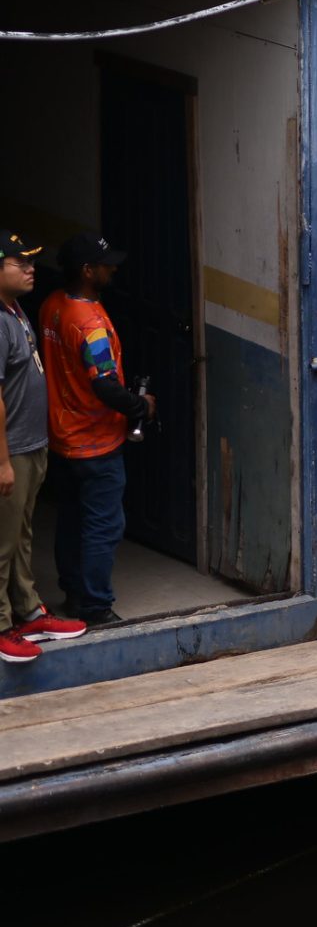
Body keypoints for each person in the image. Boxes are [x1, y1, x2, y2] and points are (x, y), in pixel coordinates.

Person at [39, 233, 153, 628]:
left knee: (70, 519)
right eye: (106, 264)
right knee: (103, 526)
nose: (113, 269)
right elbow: (103, 383)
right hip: (96, 443)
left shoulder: (52, 305)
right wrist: (141, 406)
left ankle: (73, 593)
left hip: (61, 437)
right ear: (88, 271)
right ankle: (96, 607)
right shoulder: (89, 323)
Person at [0, 231, 85, 663]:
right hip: (9, 449)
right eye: (20, 263)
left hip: (31, 444)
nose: (32, 269)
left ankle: (28, 611)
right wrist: (3, 462)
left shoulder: (14, 310)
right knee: (2, 540)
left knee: (22, 536)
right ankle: (1, 626)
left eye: (32, 261)